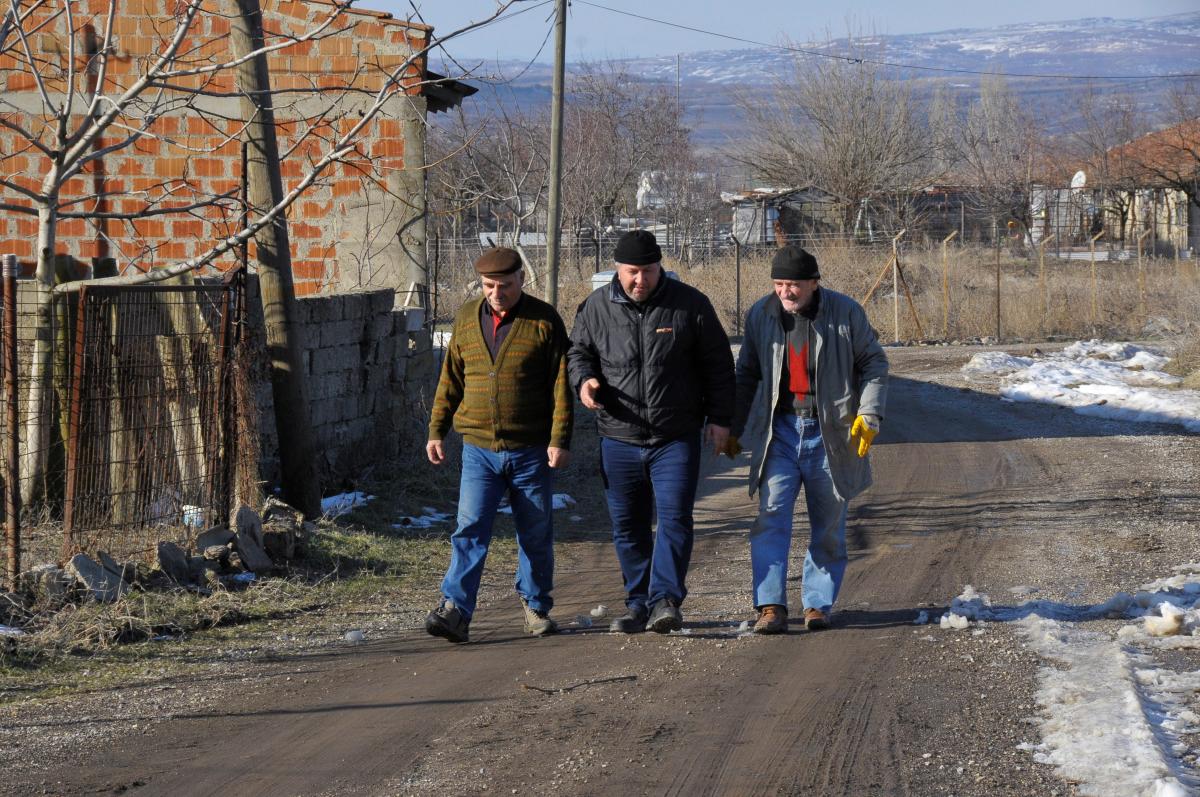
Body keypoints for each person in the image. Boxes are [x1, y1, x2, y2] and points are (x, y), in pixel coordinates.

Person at [568, 230, 734, 634]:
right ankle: (638, 603)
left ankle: (665, 601)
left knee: (675, 519)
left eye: (647, 271)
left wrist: (721, 420)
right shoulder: (595, 307)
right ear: (617, 270)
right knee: (628, 526)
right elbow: (578, 353)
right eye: (631, 272)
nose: (639, 280)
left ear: (660, 268)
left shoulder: (690, 305)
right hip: (617, 437)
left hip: (674, 436)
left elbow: (718, 365)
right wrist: (584, 380)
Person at [728, 244, 888, 635]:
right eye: (779, 284)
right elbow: (746, 372)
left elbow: (874, 363)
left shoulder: (846, 312)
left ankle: (817, 604)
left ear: (814, 284)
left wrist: (869, 414)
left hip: (831, 433)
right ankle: (770, 606)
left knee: (829, 524)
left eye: (795, 285)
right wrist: (731, 424)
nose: (786, 292)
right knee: (771, 516)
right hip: (779, 433)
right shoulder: (761, 315)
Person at [424, 248, 573, 644]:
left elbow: (562, 385)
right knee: (469, 528)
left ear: (521, 279)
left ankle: (536, 606)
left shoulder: (543, 320)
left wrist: (560, 439)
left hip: (530, 449)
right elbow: (450, 378)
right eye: (489, 286)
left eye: (504, 285)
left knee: (535, 530)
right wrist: (437, 429)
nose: (496, 293)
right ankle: (456, 610)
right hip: (478, 449)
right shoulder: (466, 318)